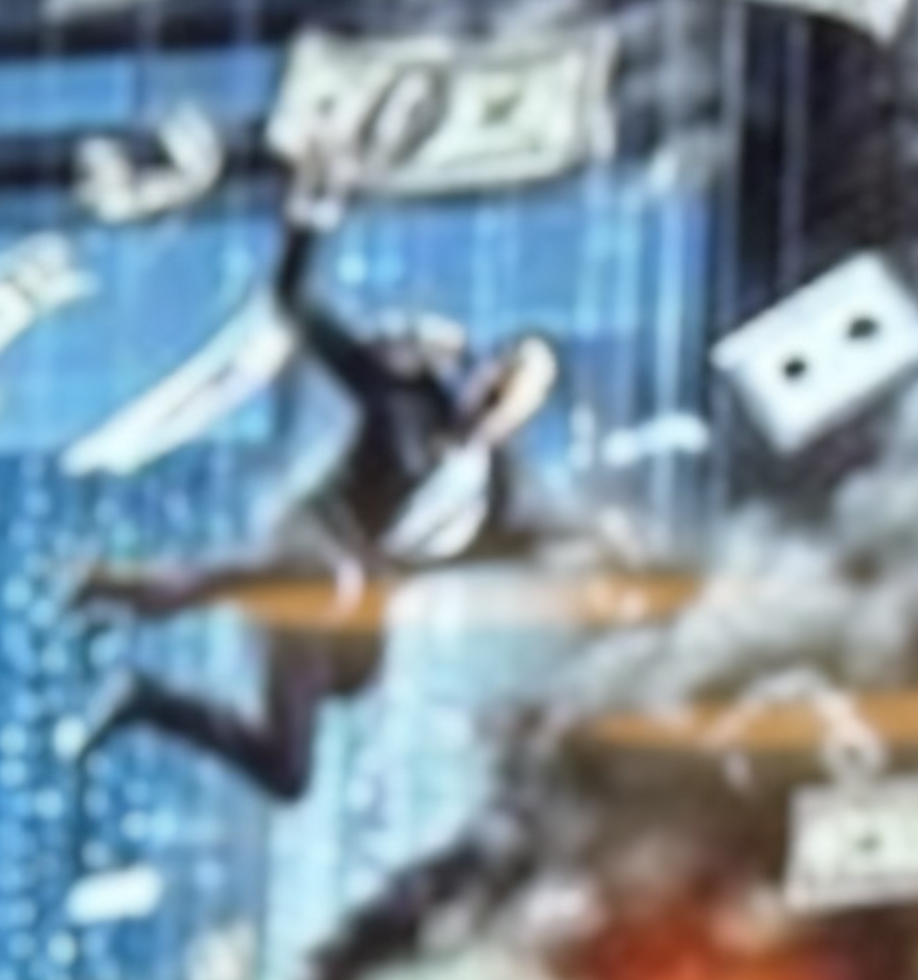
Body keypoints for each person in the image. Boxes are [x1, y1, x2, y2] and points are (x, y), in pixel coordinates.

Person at [64, 172, 561, 806]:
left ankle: (149, 696)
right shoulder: (402, 397)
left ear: (519, 413)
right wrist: (307, 223)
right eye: (496, 377)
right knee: (319, 580)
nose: (492, 398)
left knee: (288, 773)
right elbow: (295, 305)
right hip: (315, 548)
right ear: (482, 367)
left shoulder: (486, 485)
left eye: (511, 396)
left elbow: (497, 547)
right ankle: (137, 590)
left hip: (342, 615)